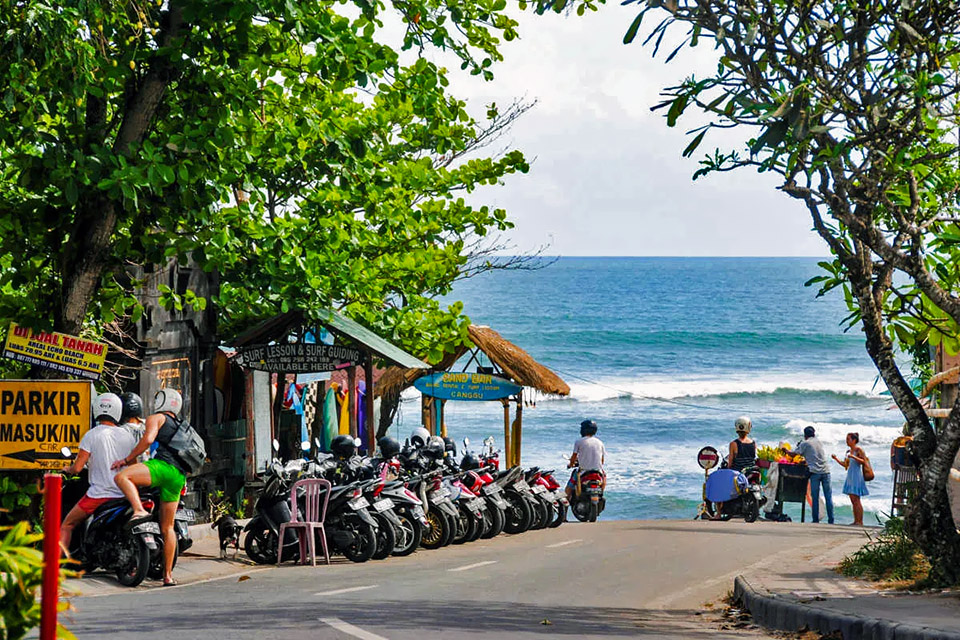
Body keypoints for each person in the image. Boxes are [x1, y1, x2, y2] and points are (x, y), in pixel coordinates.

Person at [111, 389, 188, 586]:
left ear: (162, 401)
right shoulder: (180, 424)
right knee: (168, 527)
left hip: (162, 468)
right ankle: (168, 575)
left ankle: (138, 510)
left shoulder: (157, 418)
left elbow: (148, 440)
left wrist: (127, 459)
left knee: (122, 476)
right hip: (178, 476)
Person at [60, 393, 137, 553]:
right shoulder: (127, 436)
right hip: (124, 495)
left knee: (67, 524)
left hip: (98, 495)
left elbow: (78, 468)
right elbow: (133, 467)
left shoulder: (91, 435)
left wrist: (67, 470)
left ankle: (57, 564)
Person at [794, 425, 834, 524]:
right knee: (828, 497)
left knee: (815, 497)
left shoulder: (805, 443)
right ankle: (831, 520)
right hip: (826, 471)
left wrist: (786, 451)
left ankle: (815, 520)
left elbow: (795, 454)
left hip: (815, 473)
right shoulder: (819, 442)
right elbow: (815, 456)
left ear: (805, 435)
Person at [832, 432, 869, 526]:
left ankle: (860, 521)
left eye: (848, 439)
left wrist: (853, 457)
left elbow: (863, 461)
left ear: (854, 440)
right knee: (853, 499)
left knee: (857, 499)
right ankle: (856, 520)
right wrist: (836, 459)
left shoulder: (858, 450)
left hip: (856, 475)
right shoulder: (848, 451)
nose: (847, 441)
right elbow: (845, 464)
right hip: (850, 475)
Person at [565, 419, 606, 502]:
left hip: (583, 472)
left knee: (569, 487)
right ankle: (601, 492)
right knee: (604, 477)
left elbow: (574, 457)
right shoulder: (600, 442)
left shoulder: (579, 442)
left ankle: (565, 503)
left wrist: (571, 464)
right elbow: (602, 461)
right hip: (598, 471)